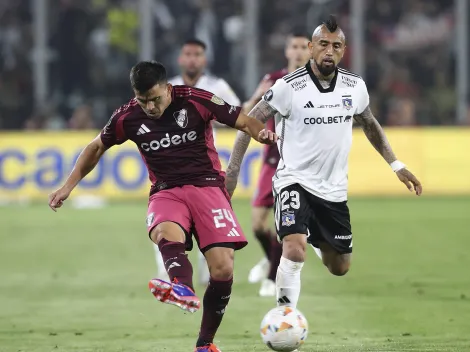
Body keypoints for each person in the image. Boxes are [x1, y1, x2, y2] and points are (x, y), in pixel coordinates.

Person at [48, 61, 277, 352]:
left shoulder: (196, 99)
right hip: (166, 190)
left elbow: (243, 120)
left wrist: (262, 133)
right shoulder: (127, 116)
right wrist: (67, 187)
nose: (151, 107)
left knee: (222, 269)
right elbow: (95, 148)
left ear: (168, 88)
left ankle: (205, 344)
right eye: (144, 101)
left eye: (155, 99)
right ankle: (182, 287)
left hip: (207, 186)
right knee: (164, 232)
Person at [225, 15, 422, 311]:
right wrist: (233, 171)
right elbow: (249, 122)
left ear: (344, 51)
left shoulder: (354, 87)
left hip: (332, 190)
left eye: (336, 46)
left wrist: (396, 164)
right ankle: (284, 318)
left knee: (340, 266)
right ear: (311, 47)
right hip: (293, 180)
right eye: (323, 44)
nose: (329, 51)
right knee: (293, 248)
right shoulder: (287, 87)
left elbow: (370, 125)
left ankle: (317, 238)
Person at [153, 38, 241, 286]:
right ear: (181, 59)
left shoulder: (217, 86)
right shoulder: (168, 87)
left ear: (204, 59)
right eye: (188, 54)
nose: (192, 59)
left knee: (207, 222)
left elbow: (237, 114)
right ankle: (167, 275)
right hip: (172, 167)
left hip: (205, 165)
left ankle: (206, 275)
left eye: (197, 54)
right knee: (166, 219)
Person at [241, 32, 311, 297]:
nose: (298, 51)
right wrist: (258, 96)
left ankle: (272, 278)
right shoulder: (273, 80)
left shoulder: (316, 83)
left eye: (304, 47)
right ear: (286, 51)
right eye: (294, 46)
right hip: (272, 160)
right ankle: (271, 258)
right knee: (258, 225)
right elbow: (247, 114)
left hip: (301, 165)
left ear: (311, 50)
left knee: (288, 226)